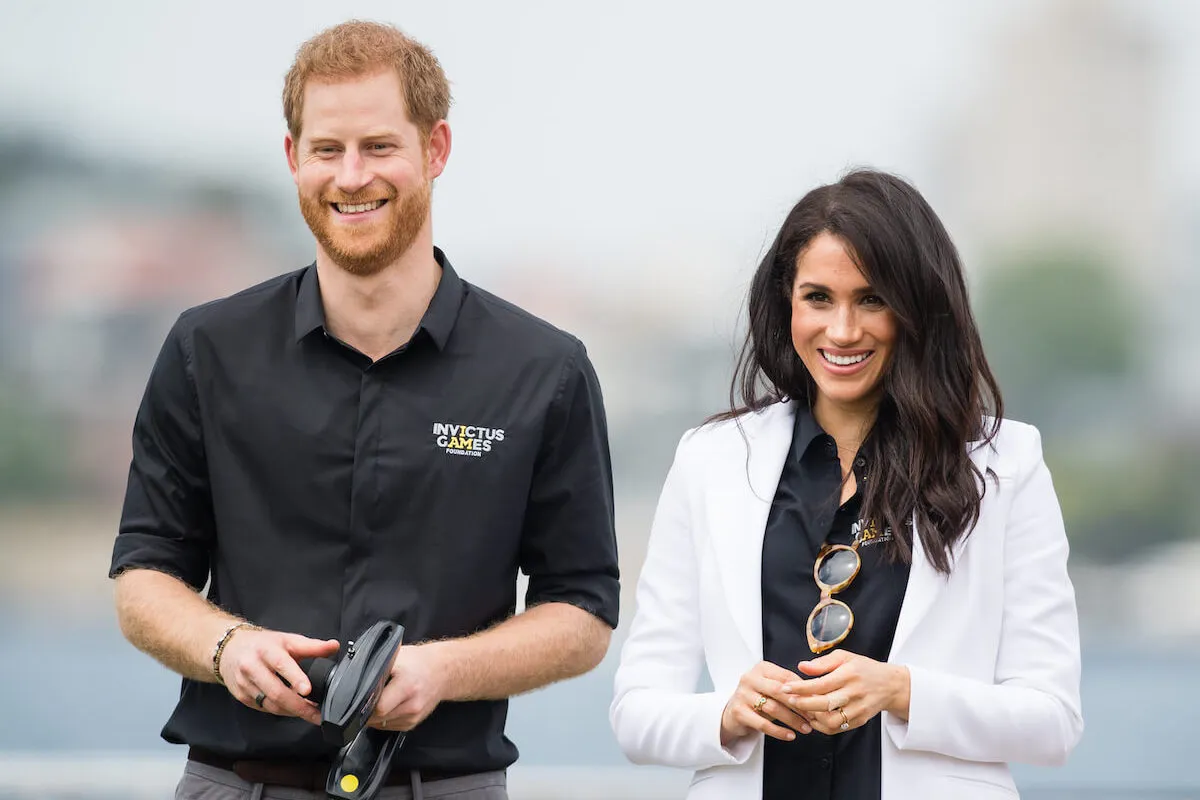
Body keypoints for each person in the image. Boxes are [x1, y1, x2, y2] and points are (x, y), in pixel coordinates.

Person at [109, 20, 619, 800]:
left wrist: (442, 670)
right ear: (293, 158)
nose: (351, 176)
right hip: (232, 781)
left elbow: (582, 613)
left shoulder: (546, 370)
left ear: (435, 149)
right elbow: (143, 576)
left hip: (445, 786)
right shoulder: (205, 349)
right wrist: (226, 647)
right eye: (327, 150)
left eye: (379, 147)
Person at [609, 169, 1082, 799]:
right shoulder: (710, 460)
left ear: (918, 308)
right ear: (786, 303)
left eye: (872, 299)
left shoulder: (1006, 464)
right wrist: (725, 713)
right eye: (819, 298)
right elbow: (636, 712)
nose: (842, 331)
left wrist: (902, 691)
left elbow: (1052, 721)